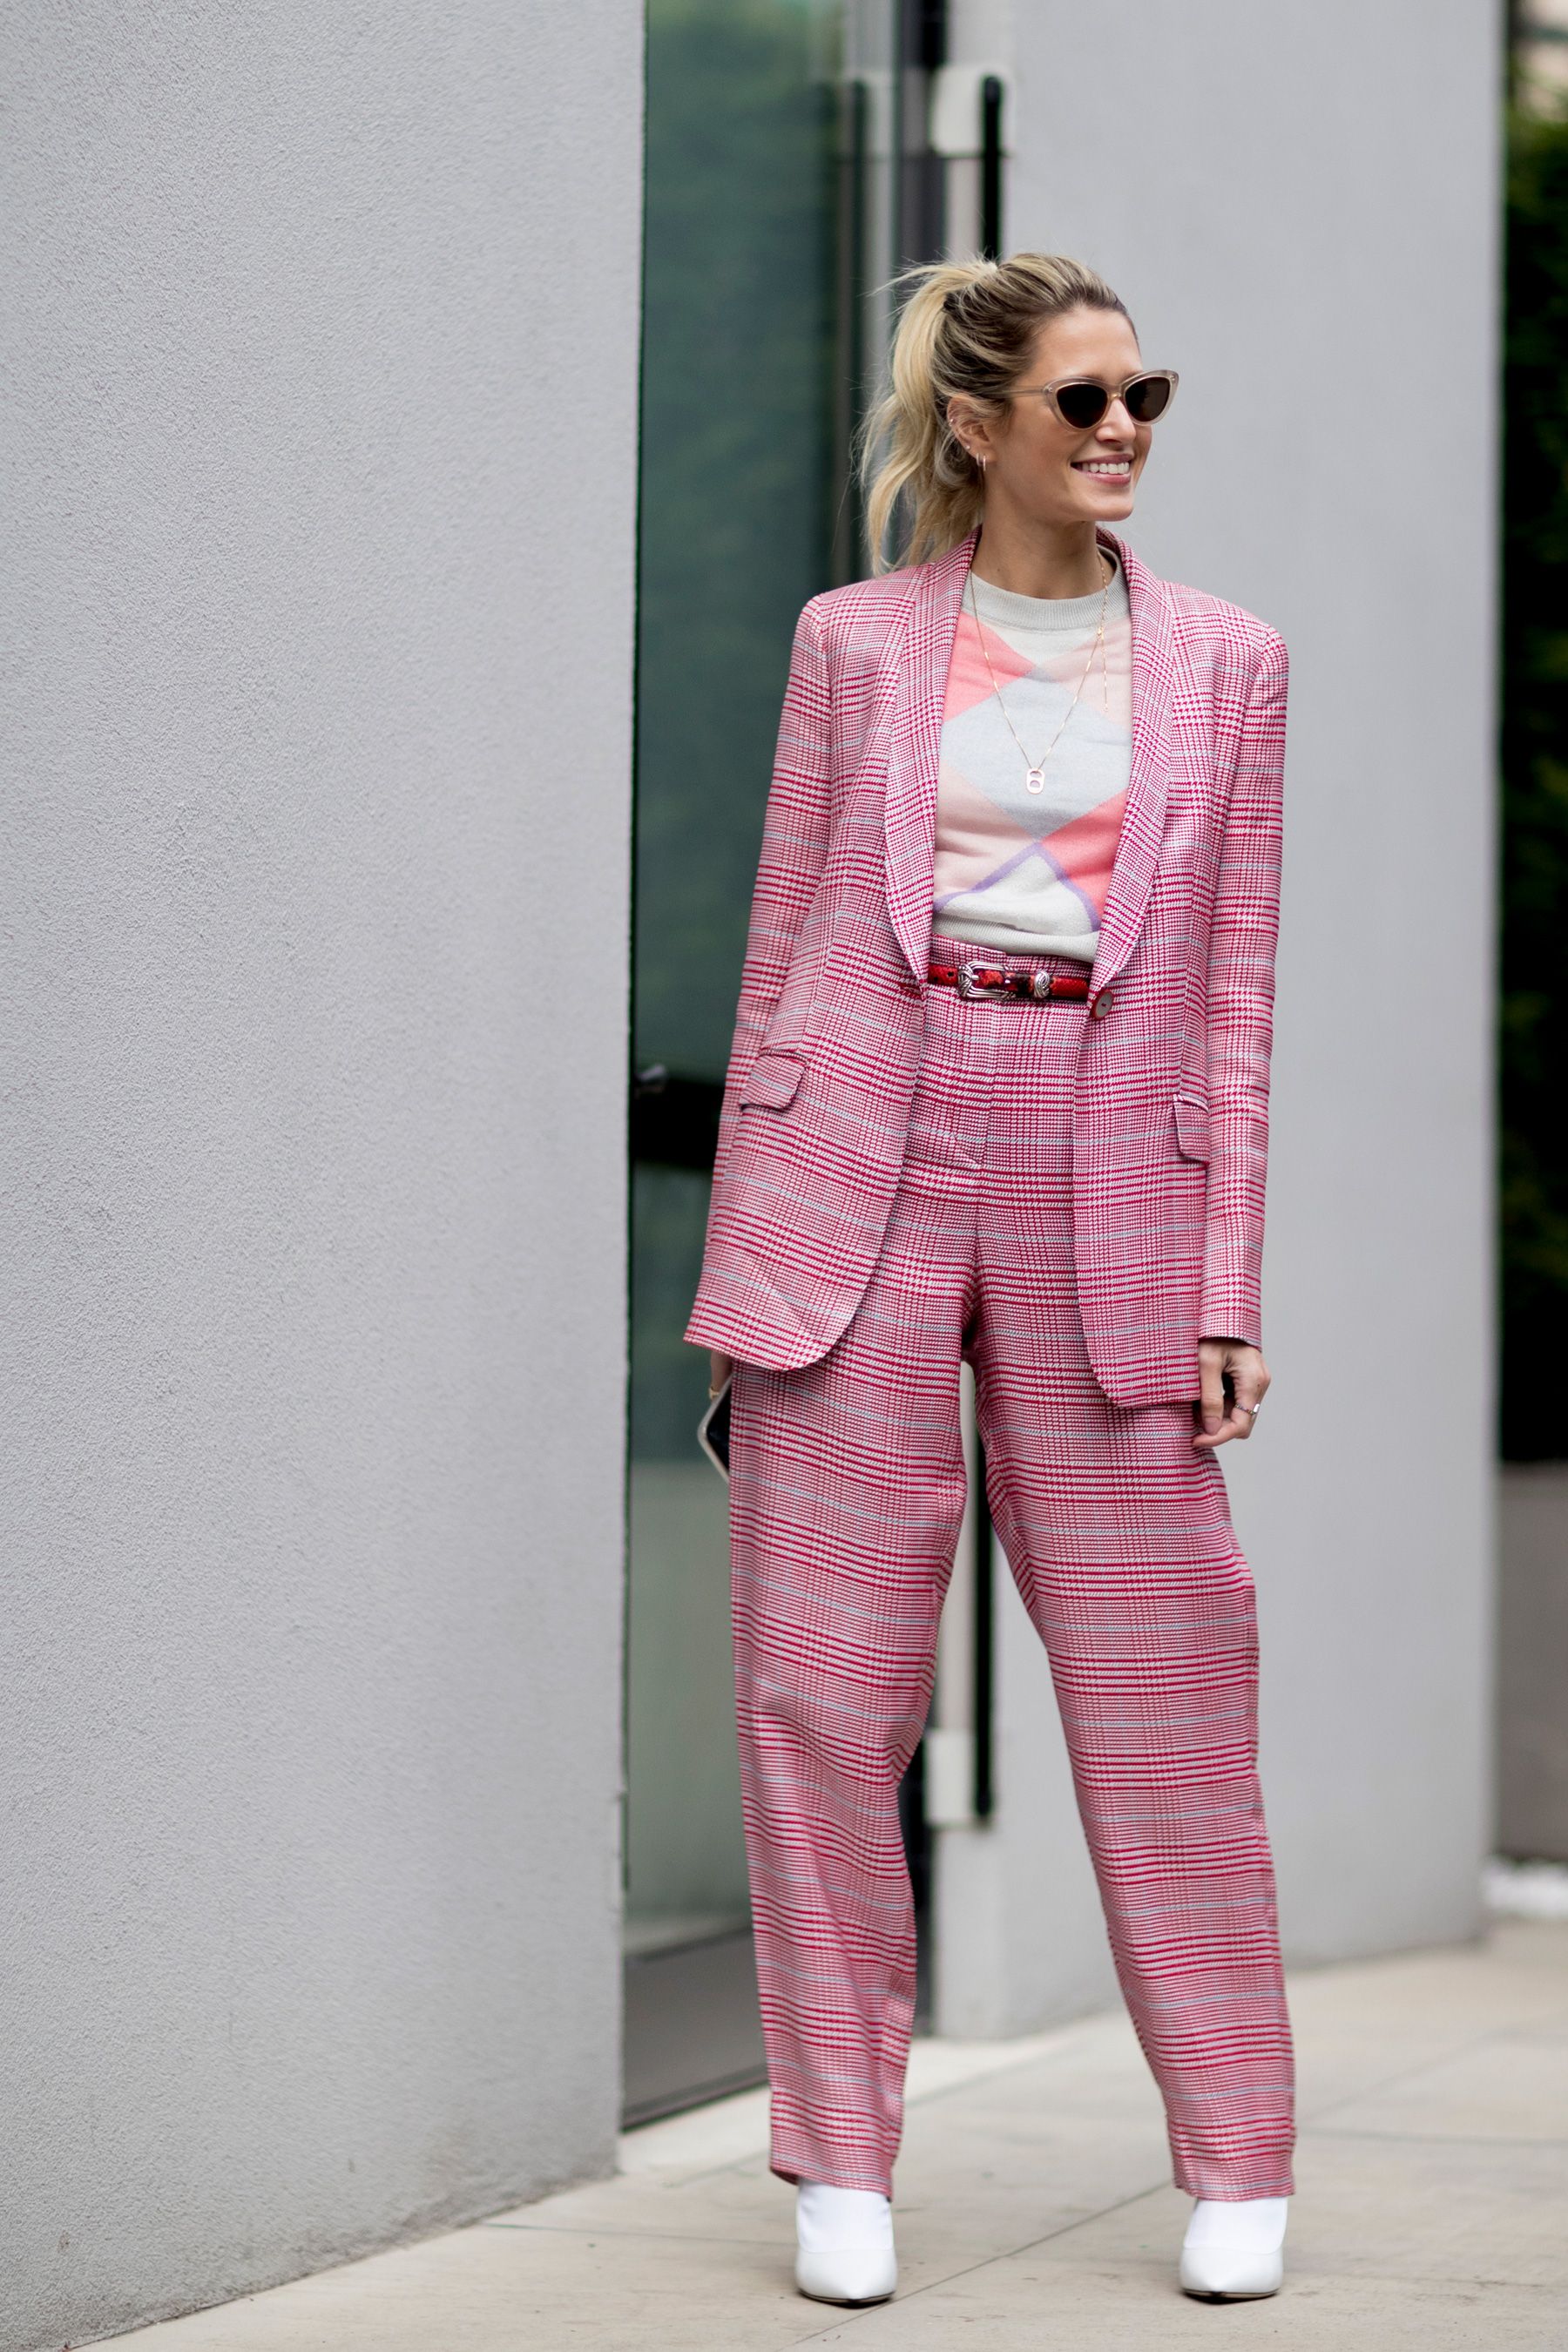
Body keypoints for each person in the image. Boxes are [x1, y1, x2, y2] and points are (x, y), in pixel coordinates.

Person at [685, 251, 1294, 2308]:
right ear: (977, 423)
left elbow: (1235, 1002)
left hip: (1108, 1174)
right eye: (1082, 401)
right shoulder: (852, 644)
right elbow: (780, 951)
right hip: (855, 1167)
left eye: (1145, 398)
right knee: (818, 1692)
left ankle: (1239, 2149)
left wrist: (1227, 1281)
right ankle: (840, 2159)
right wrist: (744, 1268)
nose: (1124, 433)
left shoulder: (1232, 663)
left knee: (1168, 1688)